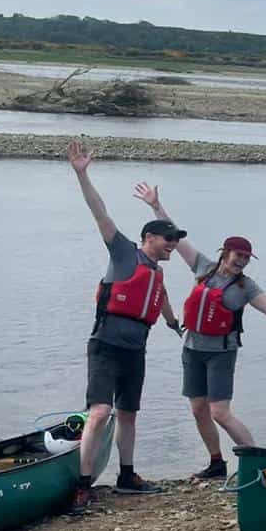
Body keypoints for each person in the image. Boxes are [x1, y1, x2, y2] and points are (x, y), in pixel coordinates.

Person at [131, 186, 266, 479]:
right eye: (238, 254)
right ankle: (216, 464)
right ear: (226, 252)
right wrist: (156, 206)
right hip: (192, 348)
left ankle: (263, 463)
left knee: (220, 412)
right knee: (198, 408)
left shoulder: (246, 287)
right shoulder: (203, 266)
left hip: (221, 354)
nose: (242, 260)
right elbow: (175, 234)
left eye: (246, 257)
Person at [67, 140, 183, 511]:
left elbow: (160, 298)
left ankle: (127, 476)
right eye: (168, 240)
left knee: (129, 414)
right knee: (100, 412)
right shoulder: (123, 252)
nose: (172, 246)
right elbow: (98, 210)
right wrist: (82, 174)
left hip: (136, 348)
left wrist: (172, 322)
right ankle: (83, 484)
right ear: (149, 238)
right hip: (106, 345)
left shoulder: (158, 272)